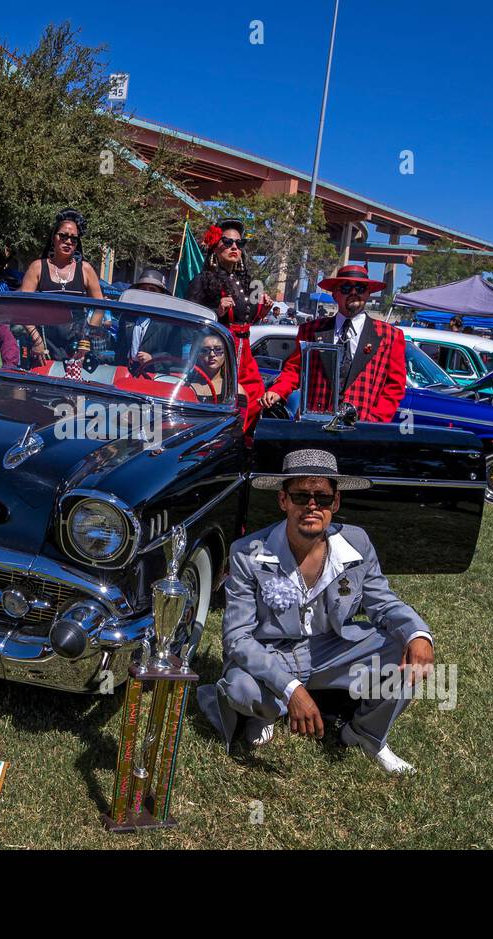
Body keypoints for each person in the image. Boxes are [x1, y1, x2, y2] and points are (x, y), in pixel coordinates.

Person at [196, 449, 434, 773]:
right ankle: (264, 712)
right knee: (241, 689)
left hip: (330, 650)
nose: (312, 506)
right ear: (283, 501)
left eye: (322, 498)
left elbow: (383, 603)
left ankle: (365, 733)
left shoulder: (357, 543)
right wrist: (291, 689)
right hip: (273, 654)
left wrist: (418, 633)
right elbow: (237, 639)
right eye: (301, 495)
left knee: (403, 649)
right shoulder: (246, 553)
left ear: (335, 503)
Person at [261, 263, 406, 423]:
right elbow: (294, 370)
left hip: (364, 428)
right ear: (335, 294)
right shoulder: (311, 330)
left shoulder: (390, 336)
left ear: (368, 294)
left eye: (360, 288)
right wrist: (278, 390)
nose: (353, 292)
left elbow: (395, 387)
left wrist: (375, 420)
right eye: (346, 288)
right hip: (315, 424)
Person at [184, 219, 266, 433]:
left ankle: (245, 446)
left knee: (255, 397)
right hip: (217, 352)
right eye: (227, 242)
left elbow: (246, 319)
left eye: (239, 243)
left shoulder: (245, 283)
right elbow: (188, 323)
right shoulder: (201, 281)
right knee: (226, 402)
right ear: (214, 246)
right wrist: (216, 312)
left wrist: (262, 310)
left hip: (244, 352)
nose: (234, 247)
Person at [20, 208, 103, 363]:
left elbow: (100, 306)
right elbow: (23, 308)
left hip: (76, 347)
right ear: (54, 237)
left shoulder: (85, 269)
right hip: (44, 346)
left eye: (73, 239)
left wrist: (86, 339)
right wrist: (37, 340)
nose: (68, 241)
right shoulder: (37, 267)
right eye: (63, 236)